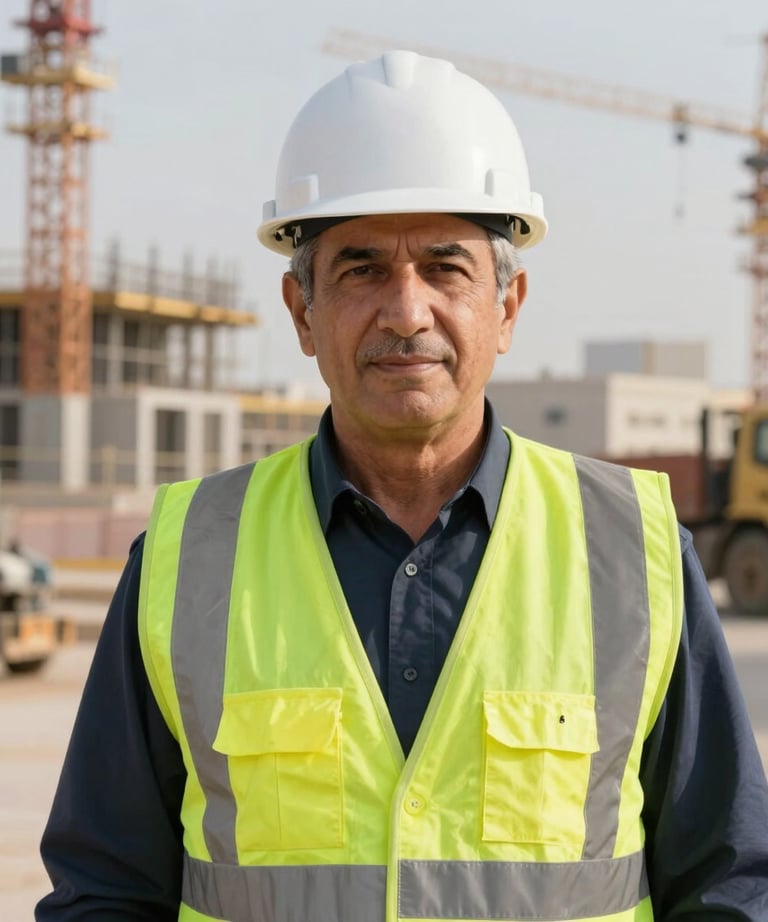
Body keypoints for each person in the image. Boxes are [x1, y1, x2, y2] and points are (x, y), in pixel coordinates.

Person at [36, 50, 768, 922]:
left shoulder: (633, 554)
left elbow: (730, 889)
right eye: (361, 268)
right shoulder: (188, 558)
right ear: (302, 312)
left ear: (510, 306)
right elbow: (105, 891)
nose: (407, 311)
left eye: (445, 267)